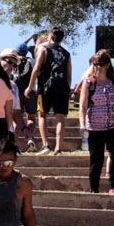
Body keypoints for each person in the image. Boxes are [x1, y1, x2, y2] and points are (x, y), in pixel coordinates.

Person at [81, 50, 114, 193]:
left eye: (101, 64)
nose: (98, 67)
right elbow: (83, 106)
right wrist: (82, 124)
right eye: (95, 64)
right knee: (96, 159)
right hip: (95, 127)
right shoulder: (89, 83)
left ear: (107, 65)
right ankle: (93, 188)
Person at [27, 26, 72, 155]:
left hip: (45, 87)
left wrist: (30, 87)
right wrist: (68, 89)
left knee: (42, 114)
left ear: (51, 35)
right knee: (60, 119)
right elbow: (69, 74)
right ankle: (58, 148)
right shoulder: (66, 53)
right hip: (62, 87)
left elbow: (36, 68)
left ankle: (46, 144)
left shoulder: (44, 49)